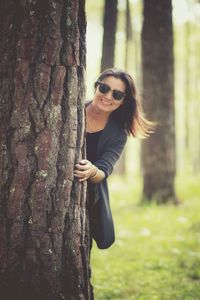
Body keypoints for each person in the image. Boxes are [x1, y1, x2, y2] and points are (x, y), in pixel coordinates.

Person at [74, 68, 152, 249]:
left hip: (83, 201)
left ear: (123, 101)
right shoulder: (71, 110)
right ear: (96, 87)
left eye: (117, 94)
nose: (108, 96)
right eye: (104, 88)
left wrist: (92, 170)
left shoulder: (118, 134)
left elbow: (104, 170)